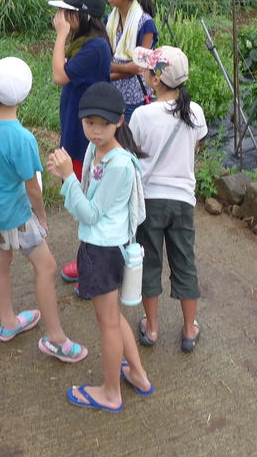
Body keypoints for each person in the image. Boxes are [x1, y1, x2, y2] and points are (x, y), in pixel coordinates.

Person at [0, 57, 88, 363]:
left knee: (0, 262)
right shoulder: (21, 138)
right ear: (24, 94)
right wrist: (41, 217)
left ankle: (9, 322)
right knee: (46, 268)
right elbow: (32, 187)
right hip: (15, 216)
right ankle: (56, 339)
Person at [48, 83, 154, 412]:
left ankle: (110, 392)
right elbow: (86, 197)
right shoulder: (97, 151)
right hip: (104, 246)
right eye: (89, 122)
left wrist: (67, 178)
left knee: (108, 323)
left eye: (104, 124)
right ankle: (138, 375)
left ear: (120, 121)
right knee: (113, 318)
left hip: (103, 251)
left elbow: (91, 214)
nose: (95, 131)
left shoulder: (118, 164)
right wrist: (68, 178)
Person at [127, 45, 208, 352]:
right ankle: (189, 329)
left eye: (149, 69)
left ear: (156, 79)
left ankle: (152, 328)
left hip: (150, 201)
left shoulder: (142, 115)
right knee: (184, 263)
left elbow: (134, 153)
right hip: (183, 201)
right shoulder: (195, 111)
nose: (146, 73)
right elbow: (195, 146)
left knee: (149, 263)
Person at [49, 0, 112, 288]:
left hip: (87, 137)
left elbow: (59, 75)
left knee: (87, 204)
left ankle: (92, 272)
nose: (62, 17)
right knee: (83, 201)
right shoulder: (85, 43)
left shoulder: (95, 47)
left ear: (85, 17)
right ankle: (89, 261)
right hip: (77, 130)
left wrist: (61, 35)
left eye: (68, 13)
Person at [95, 0, 158, 122]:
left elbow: (140, 67)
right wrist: (123, 69)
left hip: (134, 98)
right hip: (111, 93)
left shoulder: (145, 24)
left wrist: (108, 69)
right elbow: (129, 67)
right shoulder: (109, 20)